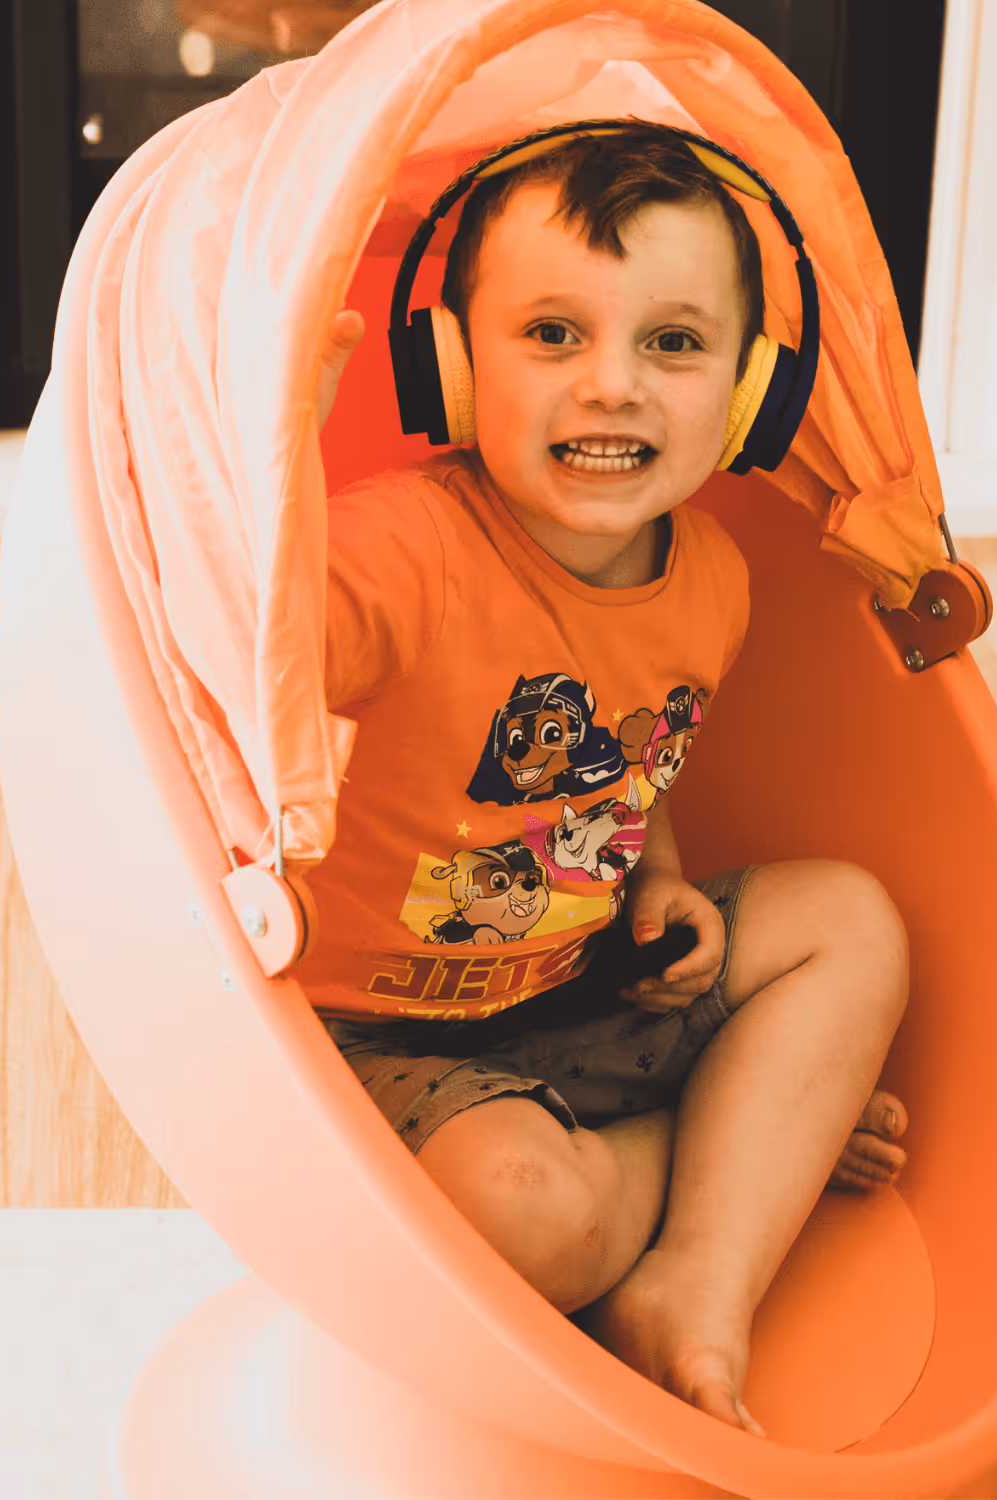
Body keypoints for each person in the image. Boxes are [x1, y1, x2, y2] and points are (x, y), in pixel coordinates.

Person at [302, 121, 910, 1439]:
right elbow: (252, 649)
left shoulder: (714, 583)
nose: (613, 386)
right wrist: (271, 467)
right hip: (376, 1036)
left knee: (850, 921)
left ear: (746, 395)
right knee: (515, 1217)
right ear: (456, 366)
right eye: (552, 335)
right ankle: (743, 1140)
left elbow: (628, 770)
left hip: (579, 988)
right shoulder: (393, 552)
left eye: (673, 343)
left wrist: (664, 883)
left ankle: (698, 1277)